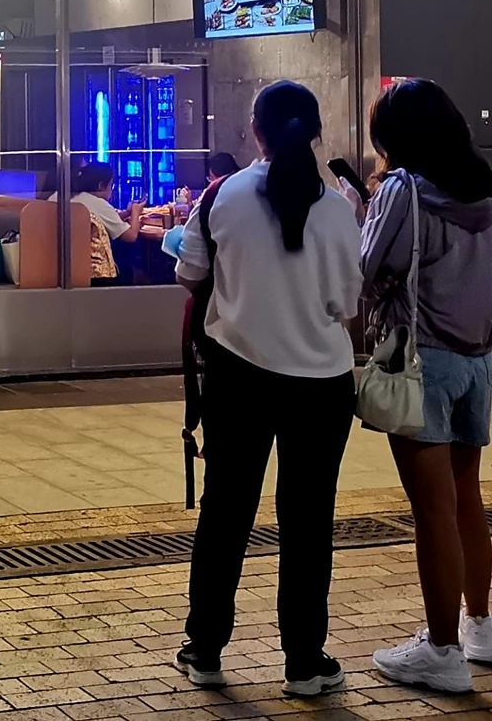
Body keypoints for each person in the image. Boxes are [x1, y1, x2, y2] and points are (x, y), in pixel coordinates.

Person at [173, 81, 362, 696]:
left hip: (239, 379)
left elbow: (190, 274)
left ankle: (205, 649)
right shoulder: (339, 209)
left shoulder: (222, 196)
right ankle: (304, 662)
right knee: (308, 520)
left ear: (255, 131)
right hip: (322, 386)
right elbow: (348, 303)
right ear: (316, 133)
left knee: (227, 512)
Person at [363, 79, 492, 694]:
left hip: (423, 360)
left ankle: (441, 651)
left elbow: (370, 268)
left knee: (433, 509)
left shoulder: (403, 189)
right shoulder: (485, 188)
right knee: (467, 498)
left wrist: (368, 207)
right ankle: (480, 624)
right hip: (479, 358)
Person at [69, 162, 143, 283]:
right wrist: (136, 212)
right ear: (101, 186)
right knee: (132, 271)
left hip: (72, 266)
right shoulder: (98, 203)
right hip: (98, 273)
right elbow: (131, 236)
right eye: (111, 185)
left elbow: (101, 219)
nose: (111, 190)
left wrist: (127, 213)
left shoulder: (73, 198)